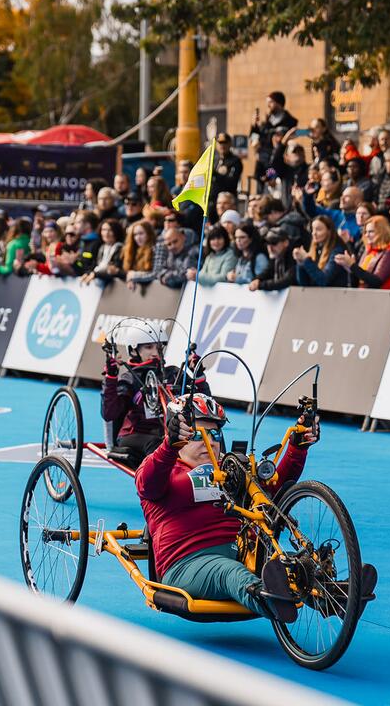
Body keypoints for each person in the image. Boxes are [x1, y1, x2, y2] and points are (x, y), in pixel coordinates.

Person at [136, 393, 324, 623]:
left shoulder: (231, 469)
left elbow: (273, 489)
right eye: (197, 435)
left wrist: (298, 447)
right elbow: (147, 483)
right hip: (187, 564)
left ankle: (338, 594)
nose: (210, 441)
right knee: (229, 573)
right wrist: (168, 446)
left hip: (245, 555)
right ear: (178, 435)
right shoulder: (163, 470)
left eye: (215, 434)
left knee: (299, 567)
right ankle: (270, 601)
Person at [101, 323, 207, 469]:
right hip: (134, 435)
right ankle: (160, 484)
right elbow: (109, 413)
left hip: (170, 433)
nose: (155, 352)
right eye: (148, 347)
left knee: (209, 437)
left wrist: (198, 375)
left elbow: (204, 402)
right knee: (160, 444)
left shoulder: (174, 373)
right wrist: (111, 378)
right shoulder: (129, 378)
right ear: (133, 350)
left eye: (158, 347)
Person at [334, 216, 390, 289]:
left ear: (382, 231)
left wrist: (352, 266)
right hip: (364, 295)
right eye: (365, 232)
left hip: (382, 297)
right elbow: (357, 282)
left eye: (371, 231)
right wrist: (351, 270)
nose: (367, 235)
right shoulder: (368, 250)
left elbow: (376, 281)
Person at [250, 91, 298, 191]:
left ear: (279, 103)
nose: (268, 105)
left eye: (271, 102)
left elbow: (283, 145)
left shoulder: (289, 121)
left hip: (278, 164)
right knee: (261, 198)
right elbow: (254, 140)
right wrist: (254, 127)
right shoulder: (266, 123)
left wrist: (272, 176)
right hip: (262, 165)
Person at [293, 215, 348, 287]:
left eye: (318, 229)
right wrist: (301, 262)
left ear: (329, 231)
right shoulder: (316, 250)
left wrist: (306, 260)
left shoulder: (337, 251)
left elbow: (324, 280)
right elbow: (303, 282)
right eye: (312, 229)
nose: (314, 233)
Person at [81, 218, 124, 284]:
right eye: (104, 230)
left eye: (110, 230)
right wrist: (88, 273)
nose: (106, 233)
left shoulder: (121, 248)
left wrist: (96, 274)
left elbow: (114, 269)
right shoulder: (101, 247)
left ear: (116, 232)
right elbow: (94, 265)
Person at [123, 221, 156, 291]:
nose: (138, 238)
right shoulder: (134, 251)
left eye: (141, 233)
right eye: (135, 235)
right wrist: (131, 279)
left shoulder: (156, 248)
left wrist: (133, 276)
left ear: (149, 233)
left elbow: (156, 274)